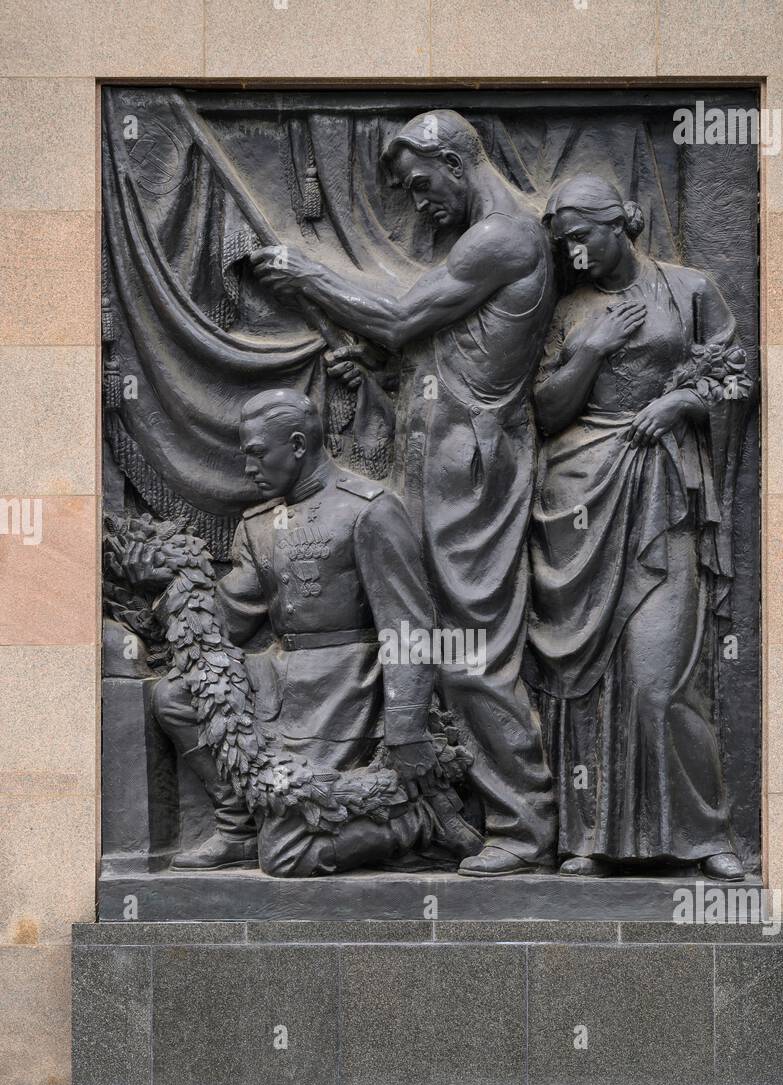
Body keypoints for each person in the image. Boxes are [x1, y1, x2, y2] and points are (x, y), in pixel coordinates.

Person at [248, 110, 556, 877]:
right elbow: (445, 353)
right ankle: (443, 808)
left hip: (471, 472)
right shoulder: (478, 244)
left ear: (454, 160)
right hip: (438, 462)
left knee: (470, 651)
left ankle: (525, 824)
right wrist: (384, 384)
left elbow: (400, 316)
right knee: (425, 638)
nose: (421, 203)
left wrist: (303, 268)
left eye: (423, 185)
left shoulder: (506, 236)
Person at [141, 388, 477, 876]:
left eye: (257, 453)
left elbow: (409, 626)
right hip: (281, 677)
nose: (249, 466)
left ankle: (417, 821)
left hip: (347, 688)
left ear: (297, 445)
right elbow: (230, 618)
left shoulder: (369, 509)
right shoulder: (259, 525)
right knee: (176, 694)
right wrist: (168, 585)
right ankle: (239, 826)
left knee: (286, 857)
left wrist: (405, 726)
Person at [525, 175, 750, 881]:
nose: (574, 251)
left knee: (660, 678)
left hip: (661, 494)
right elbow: (547, 412)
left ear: (619, 224)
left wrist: (682, 400)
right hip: (579, 495)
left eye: (581, 237)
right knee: (586, 681)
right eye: (564, 243)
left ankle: (702, 834)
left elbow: (737, 375)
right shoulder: (567, 309)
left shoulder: (688, 289)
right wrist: (587, 349)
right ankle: (587, 836)